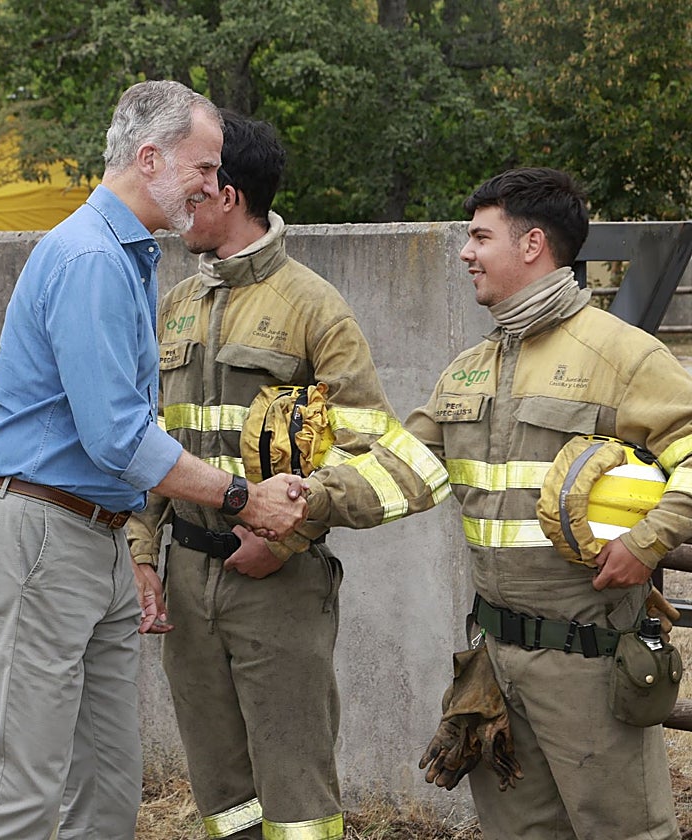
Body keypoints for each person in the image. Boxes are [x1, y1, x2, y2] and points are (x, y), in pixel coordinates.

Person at [0, 80, 308, 840]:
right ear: (148, 158)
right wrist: (243, 497)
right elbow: (117, 436)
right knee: (21, 795)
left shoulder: (125, 255)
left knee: (109, 790)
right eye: (205, 168)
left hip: (89, 533)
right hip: (42, 533)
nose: (216, 185)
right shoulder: (90, 258)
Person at [299, 167, 691, 838]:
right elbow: (403, 472)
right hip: (492, 665)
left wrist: (648, 542)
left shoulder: (624, 356)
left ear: (532, 244)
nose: (465, 253)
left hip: (589, 665)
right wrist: (297, 502)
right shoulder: (468, 369)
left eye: (480, 237)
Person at [126, 113, 450, 840]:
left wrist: (292, 534)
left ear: (228, 193)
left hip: (276, 586)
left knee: (296, 794)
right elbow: (149, 442)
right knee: (220, 792)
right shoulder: (176, 307)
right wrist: (143, 554)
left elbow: (372, 449)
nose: (181, 206)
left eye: (195, 187)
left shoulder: (314, 307)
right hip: (186, 580)